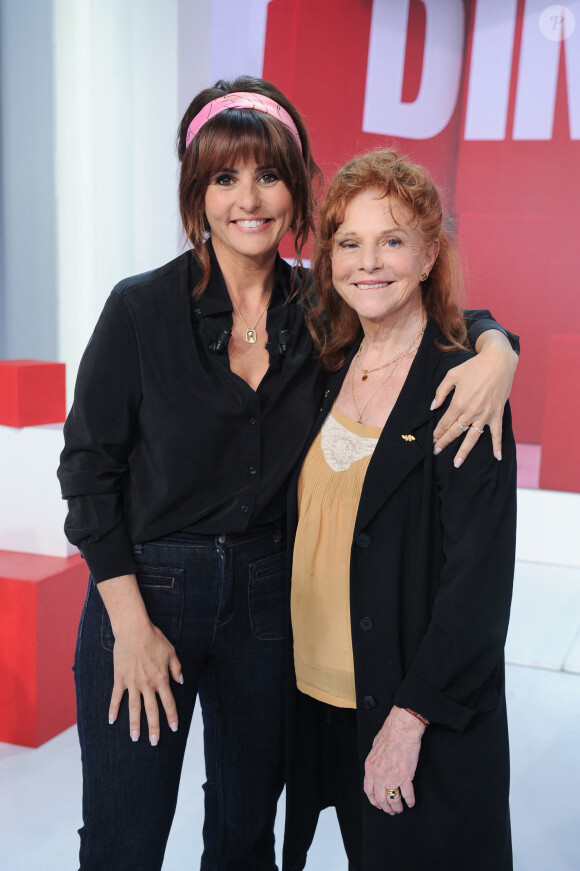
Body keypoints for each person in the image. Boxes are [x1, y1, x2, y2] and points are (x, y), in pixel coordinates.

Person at [58, 76, 518, 871]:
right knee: (123, 842)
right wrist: (129, 627)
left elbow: (411, 303)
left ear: (295, 188)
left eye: (269, 174)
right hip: (146, 594)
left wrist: (496, 345)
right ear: (195, 193)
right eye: (225, 177)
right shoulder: (138, 310)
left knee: (244, 838)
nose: (250, 198)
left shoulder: (318, 308)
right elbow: (87, 472)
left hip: (267, 601)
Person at [284, 149, 517, 871]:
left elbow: (477, 585)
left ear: (428, 255)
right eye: (349, 242)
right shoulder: (325, 360)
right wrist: (500, 339)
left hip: (412, 711)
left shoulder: (463, 387)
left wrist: (409, 721)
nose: (368, 262)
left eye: (392, 240)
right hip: (320, 703)